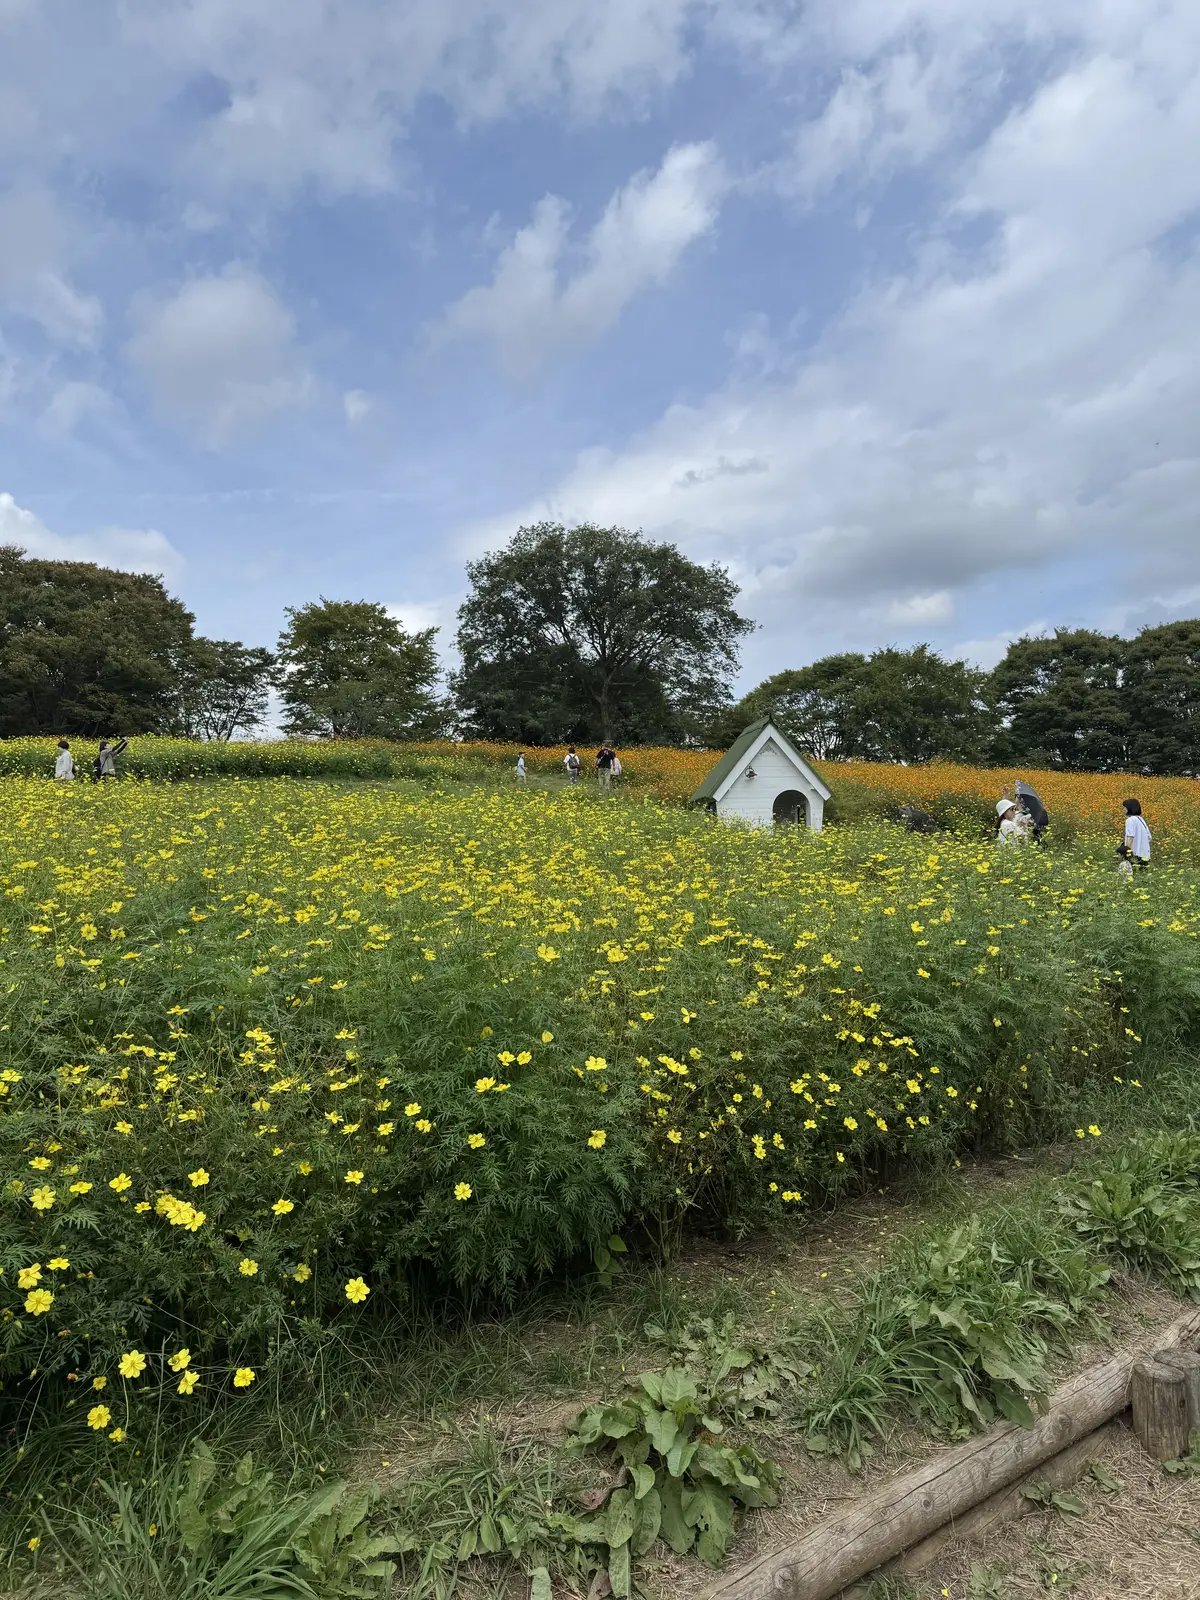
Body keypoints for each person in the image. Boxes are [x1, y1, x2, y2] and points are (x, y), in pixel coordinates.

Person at [1117, 797, 1151, 873]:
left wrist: (1127, 854)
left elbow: (1130, 837)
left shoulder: (1130, 820)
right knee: (1143, 875)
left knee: (1132, 876)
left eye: (1124, 807)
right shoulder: (1141, 820)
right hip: (1145, 854)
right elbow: (1149, 837)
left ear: (1129, 808)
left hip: (1135, 855)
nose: (1123, 809)